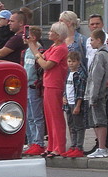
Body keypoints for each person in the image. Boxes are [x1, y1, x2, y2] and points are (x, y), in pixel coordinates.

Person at [27, 22, 71, 158]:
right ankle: (52, 145)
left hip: (55, 84)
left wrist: (36, 53)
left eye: (52, 31)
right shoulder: (54, 46)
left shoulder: (61, 48)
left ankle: (59, 146)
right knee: (49, 116)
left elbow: (46, 64)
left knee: (56, 116)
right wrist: (34, 49)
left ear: (58, 35)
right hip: (48, 83)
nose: (49, 33)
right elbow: (43, 57)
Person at [82, 29, 108, 158]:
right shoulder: (106, 53)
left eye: (92, 40)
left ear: (99, 40)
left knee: (99, 120)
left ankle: (102, 147)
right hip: (101, 92)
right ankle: (101, 147)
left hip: (98, 94)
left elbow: (97, 77)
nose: (90, 42)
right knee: (96, 121)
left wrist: (93, 96)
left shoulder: (100, 55)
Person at [22, 25, 46, 156]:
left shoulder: (39, 50)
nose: (25, 37)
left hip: (34, 86)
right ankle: (31, 141)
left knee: (37, 116)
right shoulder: (26, 51)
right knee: (29, 116)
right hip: (26, 85)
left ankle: (39, 142)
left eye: (28, 35)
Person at [62, 51, 86, 158]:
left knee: (79, 126)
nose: (71, 64)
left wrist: (78, 105)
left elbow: (80, 92)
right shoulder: (68, 74)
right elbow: (66, 87)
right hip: (68, 103)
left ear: (79, 62)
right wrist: (64, 96)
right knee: (71, 126)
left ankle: (79, 147)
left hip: (75, 104)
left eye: (73, 61)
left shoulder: (80, 75)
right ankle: (73, 145)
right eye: (69, 61)